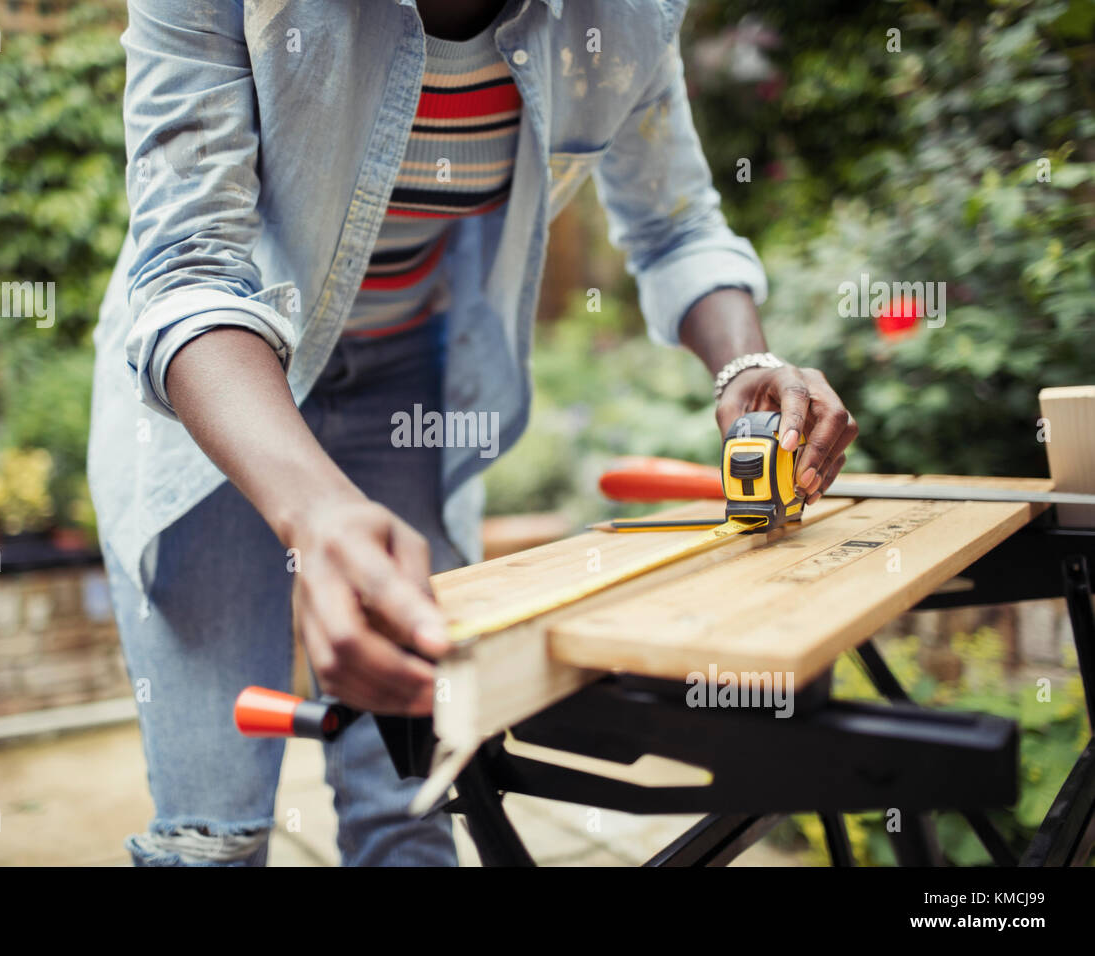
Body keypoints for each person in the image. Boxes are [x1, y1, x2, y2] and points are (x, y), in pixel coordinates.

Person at [87, 0, 858, 866]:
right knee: (212, 835)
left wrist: (745, 364)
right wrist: (317, 513)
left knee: (414, 791)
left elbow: (676, 223)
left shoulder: (626, 13)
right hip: (215, 397)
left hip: (403, 380)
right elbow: (189, 270)